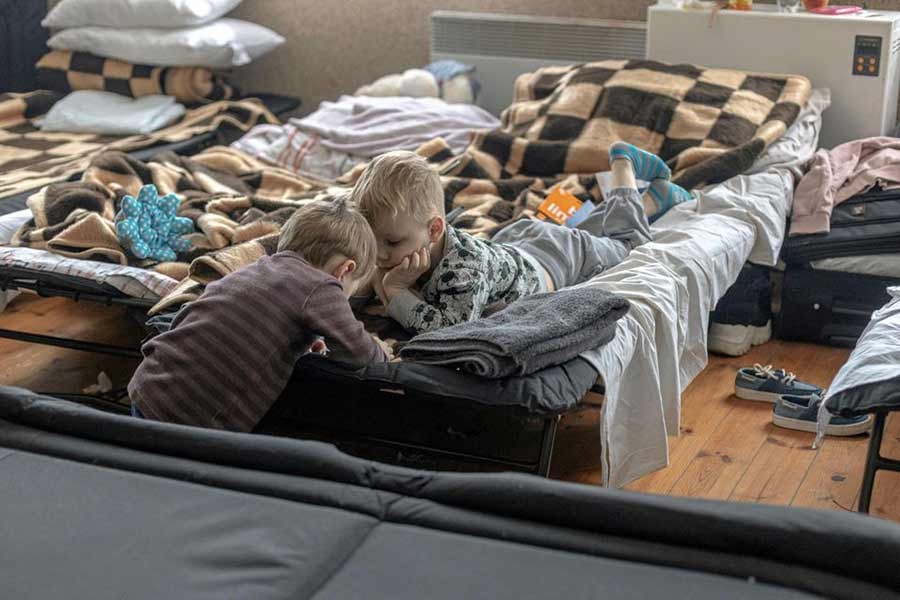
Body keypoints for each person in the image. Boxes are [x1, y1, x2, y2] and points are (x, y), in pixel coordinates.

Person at [352, 144, 692, 334]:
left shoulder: (463, 270)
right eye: (373, 241)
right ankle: (654, 200)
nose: (379, 255)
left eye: (392, 243)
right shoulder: (401, 244)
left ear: (434, 230)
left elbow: (448, 328)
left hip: (555, 257)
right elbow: (359, 283)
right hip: (517, 240)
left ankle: (624, 165)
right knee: (586, 230)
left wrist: (394, 290)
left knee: (628, 245)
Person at [128, 193, 390, 431]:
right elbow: (360, 353)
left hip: (150, 383)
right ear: (344, 270)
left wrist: (310, 340)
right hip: (194, 415)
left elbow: (248, 319)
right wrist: (381, 351)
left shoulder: (254, 269)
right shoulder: (322, 285)